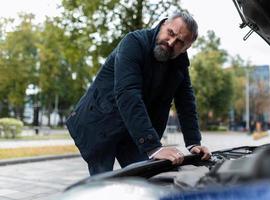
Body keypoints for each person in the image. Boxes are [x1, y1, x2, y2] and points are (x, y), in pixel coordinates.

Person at [66, 12, 211, 176]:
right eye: (170, 33)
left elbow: (186, 103)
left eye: (179, 42)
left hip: (133, 129)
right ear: (163, 25)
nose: (171, 42)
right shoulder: (133, 43)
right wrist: (153, 147)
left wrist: (193, 143)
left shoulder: (180, 64)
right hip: (101, 121)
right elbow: (128, 93)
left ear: (186, 48)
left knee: (146, 176)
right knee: (102, 181)